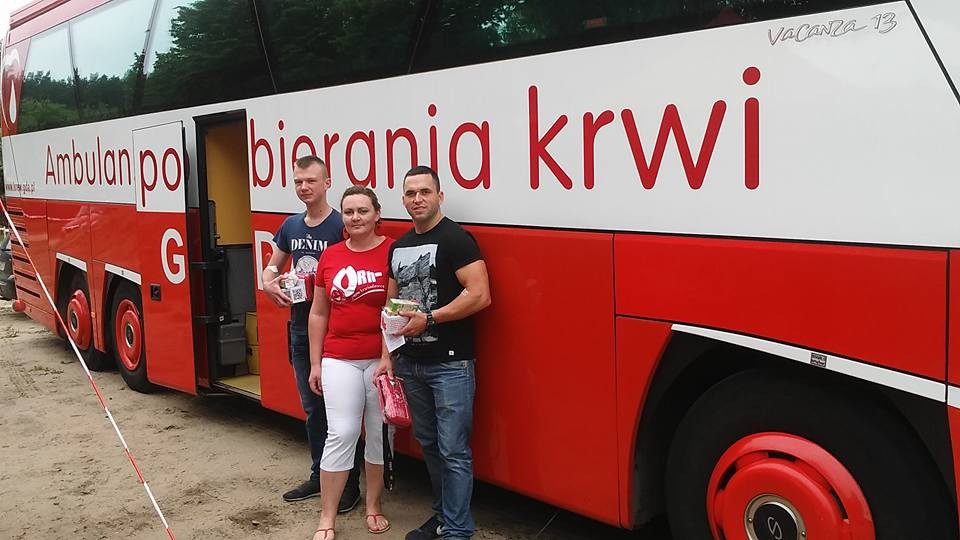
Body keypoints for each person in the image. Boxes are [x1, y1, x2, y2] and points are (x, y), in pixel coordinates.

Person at [376, 166, 492, 540]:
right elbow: (390, 306)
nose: (418, 199)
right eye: (411, 193)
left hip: (451, 365)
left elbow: (480, 295)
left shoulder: (457, 239)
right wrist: (387, 357)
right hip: (410, 364)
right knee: (429, 445)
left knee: (453, 449)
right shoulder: (398, 247)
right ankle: (443, 516)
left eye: (425, 192)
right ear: (403, 200)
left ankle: (457, 528)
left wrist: (430, 318)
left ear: (439, 196)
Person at [262, 155, 361, 509]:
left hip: (336, 331)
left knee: (340, 412)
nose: (304, 187)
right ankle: (320, 475)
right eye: (298, 182)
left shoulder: (340, 225)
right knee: (312, 408)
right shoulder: (290, 226)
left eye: (311, 181)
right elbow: (271, 267)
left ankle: (348, 483)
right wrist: (269, 283)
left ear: (327, 183)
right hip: (300, 330)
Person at [308, 186, 394, 540]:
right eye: (349, 212)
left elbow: (395, 310)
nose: (355, 218)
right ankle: (327, 518)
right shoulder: (330, 256)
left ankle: (374, 506)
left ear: (377, 214)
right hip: (338, 357)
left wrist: (388, 357)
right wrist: (315, 363)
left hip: (380, 360)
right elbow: (318, 312)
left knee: (379, 434)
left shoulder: (392, 252)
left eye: (362, 211)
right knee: (342, 432)